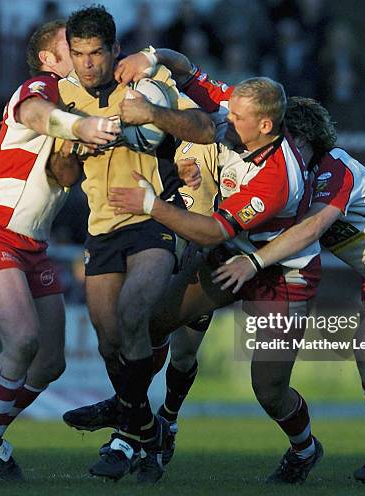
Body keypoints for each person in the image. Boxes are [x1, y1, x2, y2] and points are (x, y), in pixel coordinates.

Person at [108, 49, 323, 484]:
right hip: (229, 259)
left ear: (266, 125)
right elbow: (186, 71)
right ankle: (142, 426)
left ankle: (306, 448)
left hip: (280, 272)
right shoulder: (239, 114)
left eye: (238, 117)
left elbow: (210, 232)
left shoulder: (278, 175)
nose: (226, 120)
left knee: (269, 391)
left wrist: (150, 204)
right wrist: (150, 57)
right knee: (153, 324)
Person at [213, 96, 365, 484]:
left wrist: (254, 261)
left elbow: (309, 229)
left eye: (288, 139)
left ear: (305, 138)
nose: (282, 148)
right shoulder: (298, 178)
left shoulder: (334, 168)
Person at [0, 19, 120, 485]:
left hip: (33, 246)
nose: (85, 54)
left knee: (51, 362)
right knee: (23, 340)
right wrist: (81, 125)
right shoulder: (41, 87)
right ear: (50, 57)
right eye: (73, 47)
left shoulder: (73, 103)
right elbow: (31, 112)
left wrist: (78, 139)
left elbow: (63, 178)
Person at [57, 6, 216, 484]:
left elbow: (205, 129)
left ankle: (128, 434)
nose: (86, 64)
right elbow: (62, 176)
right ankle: (146, 430)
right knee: (110, 342)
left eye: (95, 53)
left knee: (134, 316)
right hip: (102, 228)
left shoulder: (149, 80)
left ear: (114, 50)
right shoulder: (63, 95)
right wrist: (75, 146)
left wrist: (151, 114)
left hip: (153, 217)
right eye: (78, 54)